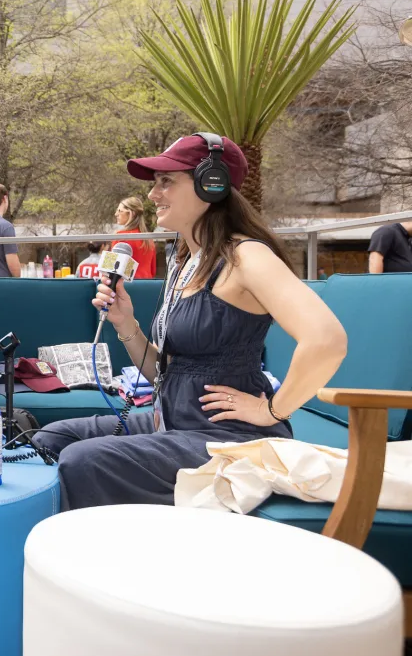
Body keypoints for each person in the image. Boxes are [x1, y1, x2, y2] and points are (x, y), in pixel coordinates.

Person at [32, 134, 347, 510]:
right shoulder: (184, 262)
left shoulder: (245, 256)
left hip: (226, 436)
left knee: (83, 461)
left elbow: (327, 339)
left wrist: (272, 410)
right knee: (50, 439)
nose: (153, 195)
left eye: (166, 181)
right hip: (173, 423)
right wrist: (125, 323)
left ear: (210, 185)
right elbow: (162, 375)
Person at [110, 196, 157, 279]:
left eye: (119, 211)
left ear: (131, 213)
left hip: (127, 285)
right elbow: (153, 270)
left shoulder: (120, 236)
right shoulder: (149, 239)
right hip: (147, 284)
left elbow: (112, 268)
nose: (116, 214)